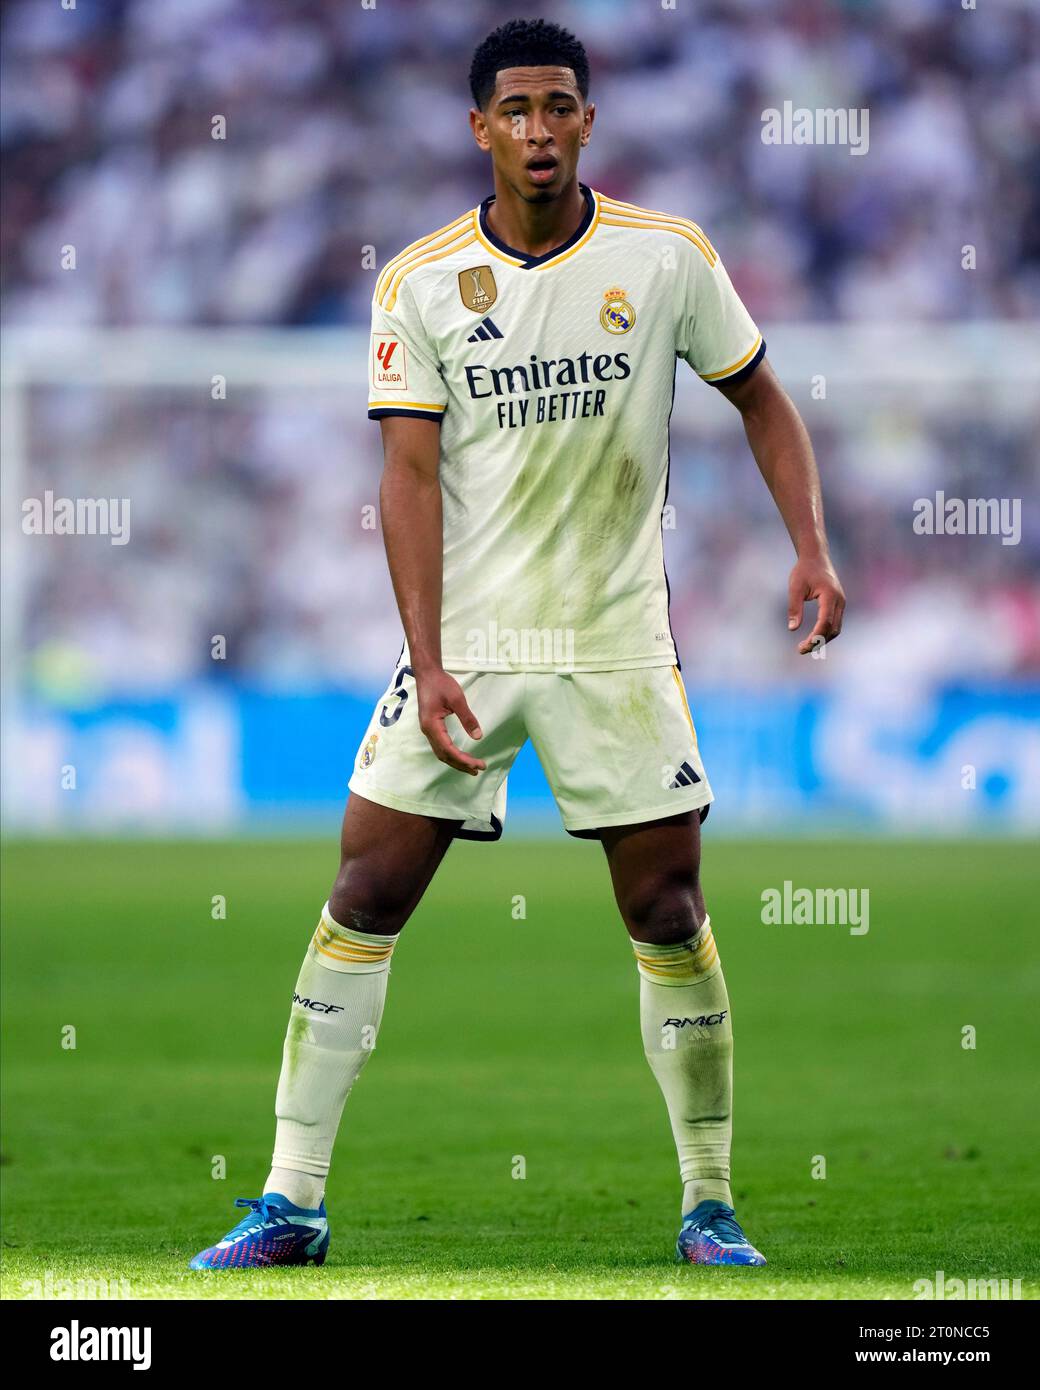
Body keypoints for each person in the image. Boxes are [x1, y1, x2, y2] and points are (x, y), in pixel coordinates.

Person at [190, 17, 845, 1271]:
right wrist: (427, 654)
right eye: (514, 110)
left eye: (557, 107)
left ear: (587, 121)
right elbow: (406, 473)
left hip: (614, 641)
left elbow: (760, 396)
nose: (537, 130)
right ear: (478, 127)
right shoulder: (420, 280)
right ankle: (290, 1201)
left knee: (666, 907)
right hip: (470, 644)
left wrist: (809, 546)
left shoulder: (664, 257)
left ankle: (708, 1204)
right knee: (364, 891)